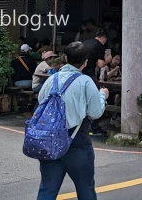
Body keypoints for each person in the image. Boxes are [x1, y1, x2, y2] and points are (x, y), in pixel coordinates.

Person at [34, 41, 109, 200]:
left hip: (50, 140)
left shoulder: (51, 80)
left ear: (65, 58)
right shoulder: (85, 82)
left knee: (47, 189)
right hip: (77, 142)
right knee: (85, 190)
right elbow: (95, 112)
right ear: (86, 61)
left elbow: (41, 101)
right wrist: (103, 96)